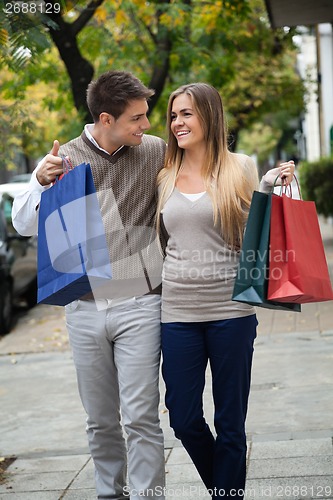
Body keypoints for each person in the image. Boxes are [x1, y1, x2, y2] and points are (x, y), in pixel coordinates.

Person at [12, 71, 167, 500]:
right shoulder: (64, 159)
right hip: (83, 308)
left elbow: (202, 174)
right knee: (100, 419)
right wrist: (41, 182)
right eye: (137, 118)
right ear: (106, 118)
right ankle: (108, 493)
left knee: (141, 416)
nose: (146, 125)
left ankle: (149, 495)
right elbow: (23, 224)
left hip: (141, 302)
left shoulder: (155, 152)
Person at [156, 82, 295, 499]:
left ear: (209, 116)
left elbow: (254, 235)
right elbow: (161, 243)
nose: (178, 122)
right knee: (182, 417)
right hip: (177, 313)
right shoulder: (164, 175)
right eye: (174, 115)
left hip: (231, 313)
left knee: (231, 423)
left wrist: (268, 188)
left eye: (187, 114)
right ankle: (227, 488)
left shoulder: (241, 167)